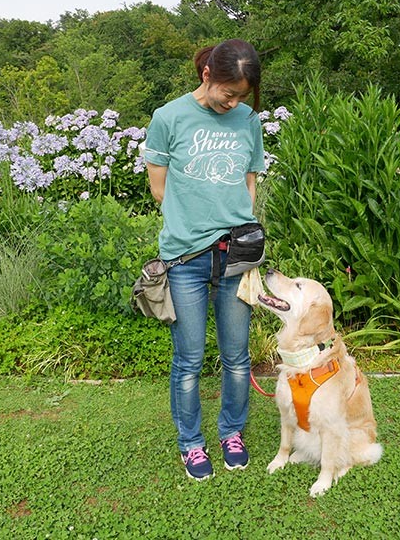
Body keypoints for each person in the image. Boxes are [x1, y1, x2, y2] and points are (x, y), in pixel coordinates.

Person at [144, 39, 265, 481]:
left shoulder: (248, 120)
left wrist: (241, 223)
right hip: (185, 257)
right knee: (189, 359)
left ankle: (232, 432)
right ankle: (191, 443)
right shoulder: (168, 117)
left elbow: (249, 179)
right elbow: (159, 189)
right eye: (227, 93)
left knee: (236, 356)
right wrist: (196, 220)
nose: (232, 102)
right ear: (206, 75)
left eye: (241, 95)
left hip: (237, 252)